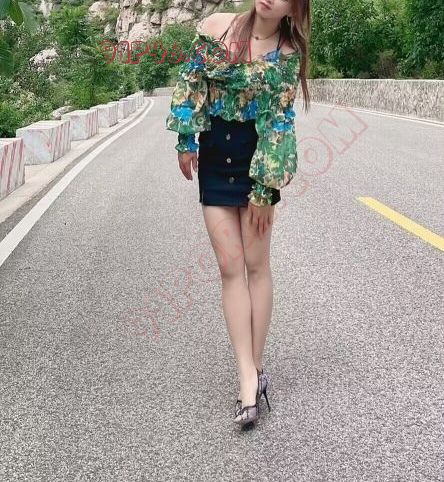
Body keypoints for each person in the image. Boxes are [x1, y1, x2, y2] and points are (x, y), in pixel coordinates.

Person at [165, 3, 311, 429]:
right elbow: (191, 79)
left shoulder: (287, 53)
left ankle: (254, 369)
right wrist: (185, 139)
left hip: (256, 164)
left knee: (255, 265)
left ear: (295, 7)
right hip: (214, 160)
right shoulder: (216, 26)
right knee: (230, 268)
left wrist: (265, 188)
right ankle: (247, 371)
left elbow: (280, 122)